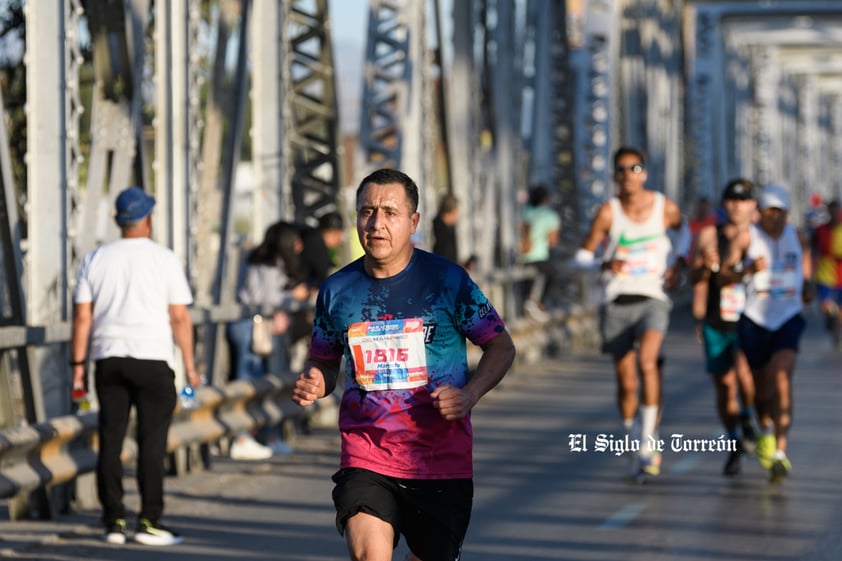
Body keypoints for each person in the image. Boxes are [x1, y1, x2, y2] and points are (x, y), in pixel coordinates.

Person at [292, 168, 516, 561]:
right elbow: (324, 360)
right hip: (367, 452)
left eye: (390, 213)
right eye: (367, 212)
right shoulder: (336, 290)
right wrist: (317, 379)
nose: (376, 223)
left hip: (440, 461)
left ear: (413, 221)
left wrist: (470, 394)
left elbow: (500, 345)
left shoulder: (446, 281)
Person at [70, 186, 201, 546]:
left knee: (110, 438)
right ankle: (149, 520)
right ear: (148, 219)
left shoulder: (95, 259)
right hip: (153, 360)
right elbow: (179, 318)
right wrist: (190, 366)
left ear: (117, 220)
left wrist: (78, 365)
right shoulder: (164, 259)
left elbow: (83, 318)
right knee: (151, 443)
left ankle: (113, 519)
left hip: (108, 359)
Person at [571, 146, 689, 481]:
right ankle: (630, 435)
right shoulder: (609, 213)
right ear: (614, 176)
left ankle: (648, 442)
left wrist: (678, 260)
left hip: (653, 297)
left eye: (634, 168)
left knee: (648, 362)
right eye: (621, 170)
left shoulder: (663, 206)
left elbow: (685, 230)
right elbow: (581, 256)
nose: (628, 175)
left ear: (645, 173)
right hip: (617, 299)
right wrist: (603, 263)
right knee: (626, 380)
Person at [730, 184, 813, 483]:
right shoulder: (746, 237)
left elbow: (805, 268)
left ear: (787, 213)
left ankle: (780, 451)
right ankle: (764, 426)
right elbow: (726, 275)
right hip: (755, 318)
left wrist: (807, 285)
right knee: (760, 389)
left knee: (781, 376)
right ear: (759, 212)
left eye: (779, 212)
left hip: (788, 317)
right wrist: (747, 269)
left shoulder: (798, 237)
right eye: (768, 211)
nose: (773, 218)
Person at [688, 178, 758, 476]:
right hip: (717, 318)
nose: (736, 205)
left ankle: (748, 416)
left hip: (751, 316)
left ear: (753, 204)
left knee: (744, 375)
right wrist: (703, 266)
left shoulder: (760, 235)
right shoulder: (709, 235)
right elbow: (694, 279)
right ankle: (733, 442)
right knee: (724, 384)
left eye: (743, 200)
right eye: (731, 199)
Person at [226, 221, 311, 459]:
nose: (299, 246)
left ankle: (258, 435)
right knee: (249, 379)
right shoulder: (272, 262)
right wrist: (292, 295)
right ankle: (243, 437)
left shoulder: (257, 258)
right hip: (251, 325)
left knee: (254, 379)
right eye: (295, 240)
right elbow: (264, 296)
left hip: (247, 324)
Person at [520, 184, 561, 321]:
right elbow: (552, 241)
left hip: (523, 256)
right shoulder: (550, 216)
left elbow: (523, 232)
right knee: (552, 274)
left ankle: (526, 309)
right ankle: (539, 305)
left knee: (526, 286)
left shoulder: (525, 212)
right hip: (539, 256)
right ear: (546, 199)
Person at [812, 199, 842, 348]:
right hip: (824, 274)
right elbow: (813, 249)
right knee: (826, 306)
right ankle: (831, 318)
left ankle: (836, 332)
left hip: (841, 275)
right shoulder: (821, 230)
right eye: (833, 211)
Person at [431, 193, 460, 263]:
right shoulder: (443, 237)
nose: (458, 215)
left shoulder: (449, 230)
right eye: (456, 212)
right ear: (450, 213)